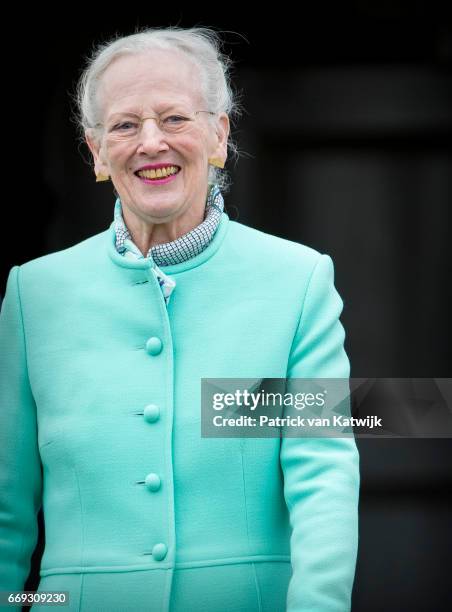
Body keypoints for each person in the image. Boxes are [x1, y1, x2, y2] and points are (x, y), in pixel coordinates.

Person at [0, 26, 360, 612]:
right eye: (123, 125)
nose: (150, 143)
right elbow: (6, 507)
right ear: (95, 151)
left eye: (174, 119)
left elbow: (323, 474)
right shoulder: (33, 293)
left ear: (218, 134)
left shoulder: (297, 281)